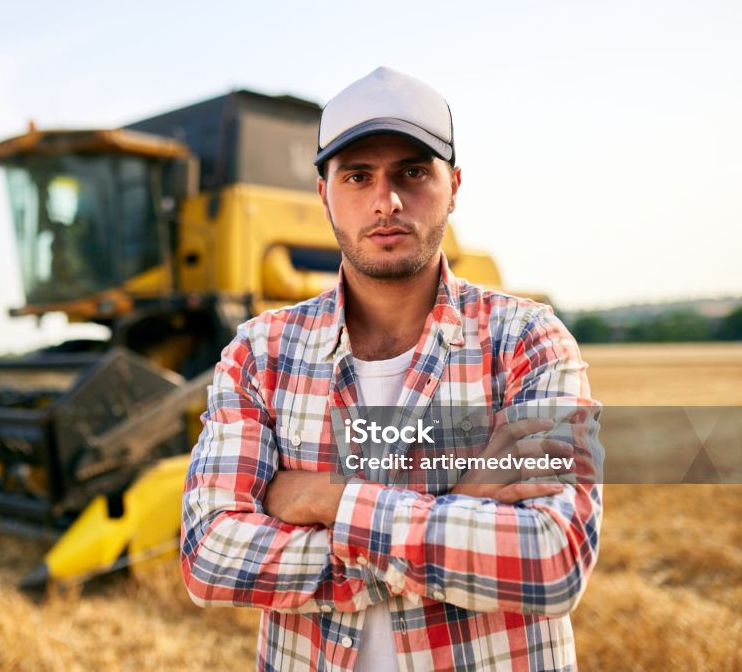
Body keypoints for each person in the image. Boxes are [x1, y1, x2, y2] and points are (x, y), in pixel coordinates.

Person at [181, 67, 602, 671]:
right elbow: (210, 558)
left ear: (453, 186)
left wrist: (325, 497)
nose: (387, 201)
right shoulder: (261, 354)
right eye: (358, 176)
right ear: (323, 193)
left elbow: (549, 562)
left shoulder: (528, 343)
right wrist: (453, 503)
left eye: (412, 172)